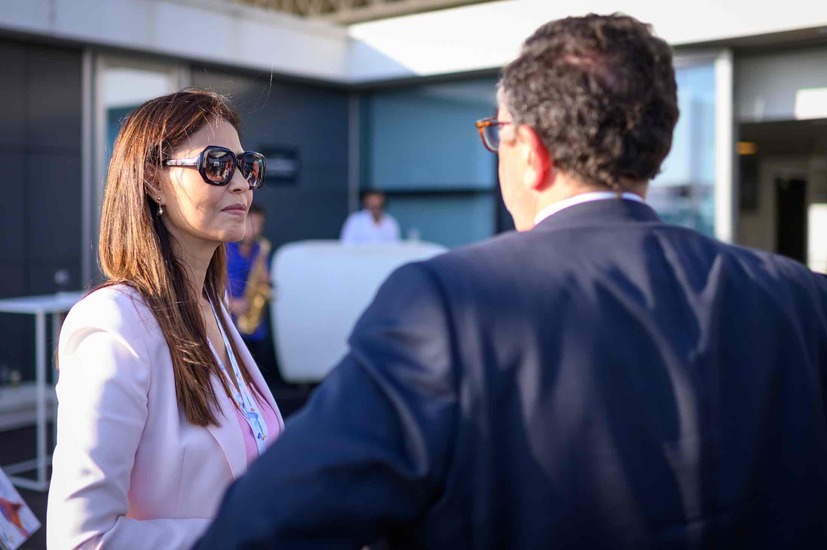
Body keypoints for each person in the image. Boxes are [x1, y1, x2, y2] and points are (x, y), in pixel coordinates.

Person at [195, 14, 827, 549]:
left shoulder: (445, 305)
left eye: (496, 136)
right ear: (656, 151)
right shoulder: (800, 298)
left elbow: (264, 528)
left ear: (531, 152)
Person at [47, 89, 285, 550]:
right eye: (217, 164)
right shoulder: (116, 324)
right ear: (153, 181)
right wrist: (245, 535)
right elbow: (81, 540)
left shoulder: (213, 307)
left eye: (248, 166)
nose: (242, 183)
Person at [226, 202, 280, 386]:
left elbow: (266, 285)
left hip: (255, 328)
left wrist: (266, 280)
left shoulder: (261, 250)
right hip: (229, 324)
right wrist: (230, 303)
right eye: (251, 224)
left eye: (259, 225)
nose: (255, 230)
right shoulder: (224, 248)